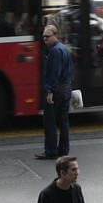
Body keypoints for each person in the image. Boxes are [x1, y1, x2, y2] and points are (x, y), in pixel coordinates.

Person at [36, 24, 74, 160]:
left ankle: (51, 151)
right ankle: (64, 150)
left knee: (50, 122)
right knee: (63, 121)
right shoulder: (64, 48)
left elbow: (54, 73)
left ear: (56, 36)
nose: (45, 39)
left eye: (48, 36)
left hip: (57, 90)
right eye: (44, 37)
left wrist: (50, 92)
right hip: (66, 88)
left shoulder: (55, 51)